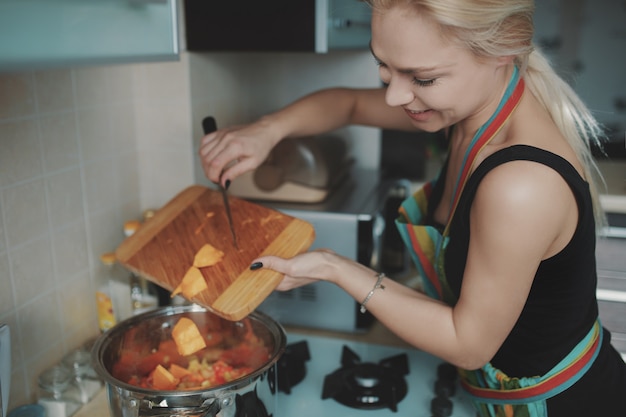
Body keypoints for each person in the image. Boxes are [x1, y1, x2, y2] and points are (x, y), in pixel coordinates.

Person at [199, 0, 626, 415]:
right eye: (384, 68)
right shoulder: (471, 107)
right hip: (494, 394)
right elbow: (347, 104)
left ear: (503, 49)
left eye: (421, 78)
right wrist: (265, 131)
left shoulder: (520, 184)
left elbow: (469, 342)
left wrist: (334, 267)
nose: (394, 96)